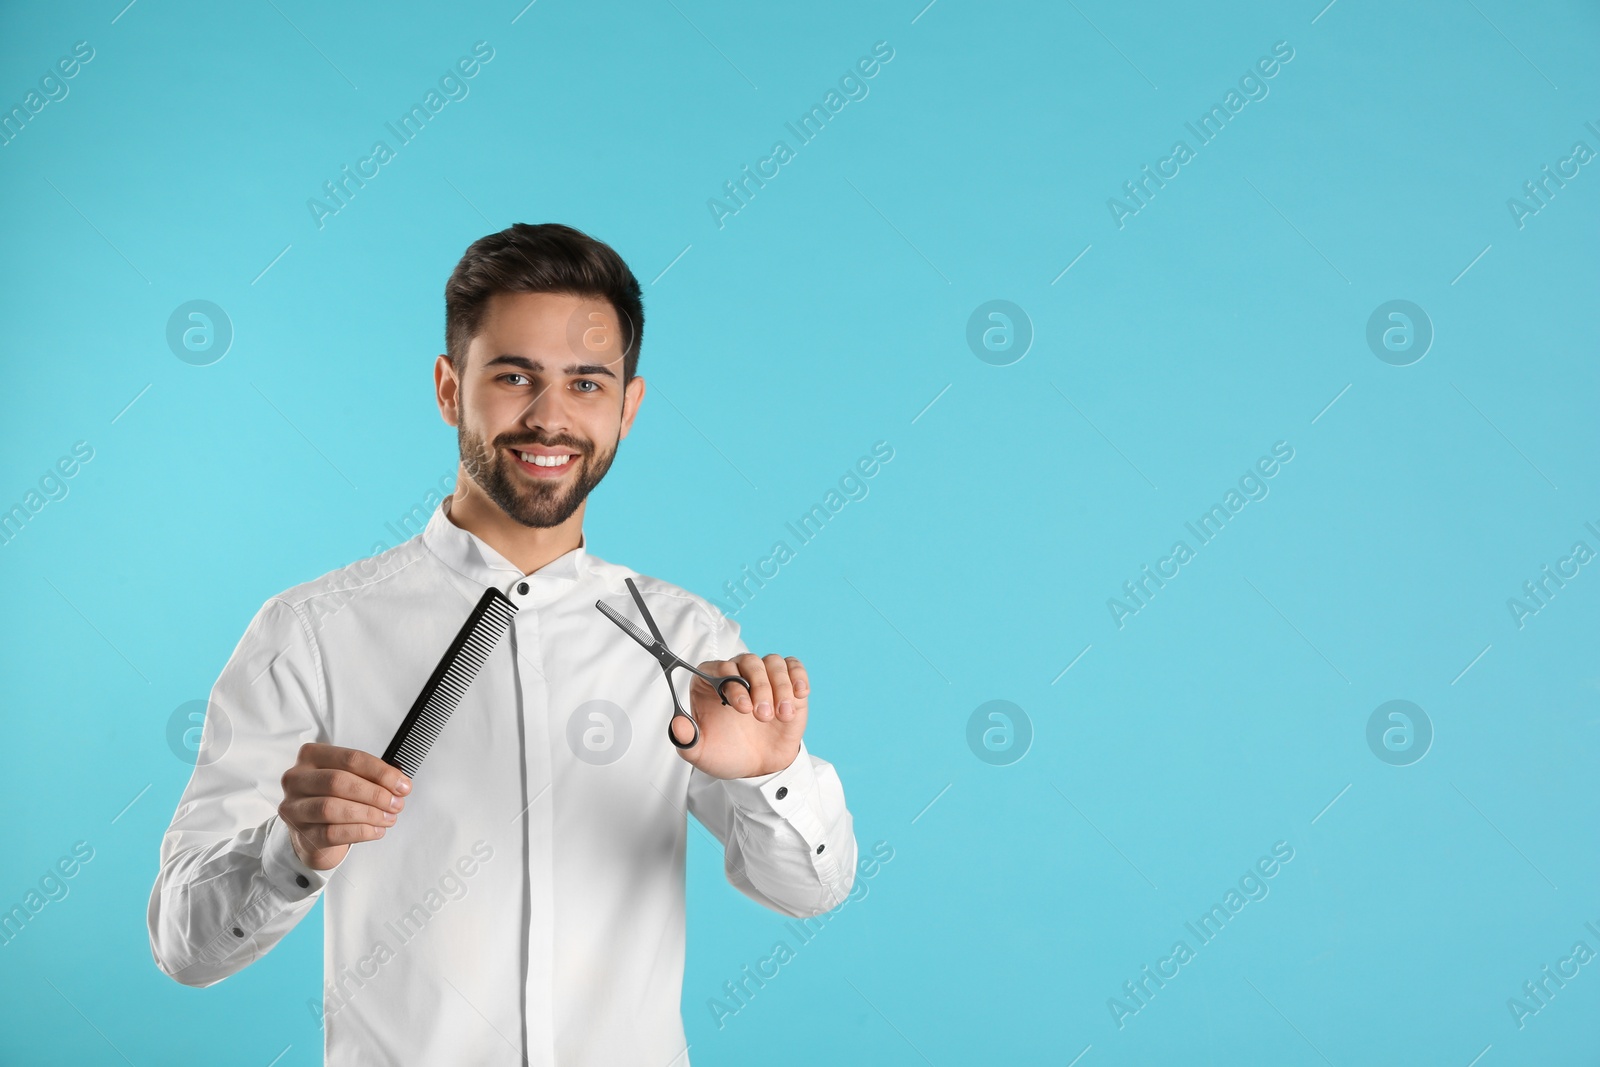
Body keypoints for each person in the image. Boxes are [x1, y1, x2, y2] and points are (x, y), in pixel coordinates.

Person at [147, 223, 858, 1065]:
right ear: (451, 389)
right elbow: (185, 946)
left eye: (586, 383)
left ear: (627, 407)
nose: (550, 416)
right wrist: (285, 853)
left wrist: (774, 775)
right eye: (514, 375)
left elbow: (810, 891)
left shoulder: (690, 642)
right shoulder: (310, 632)